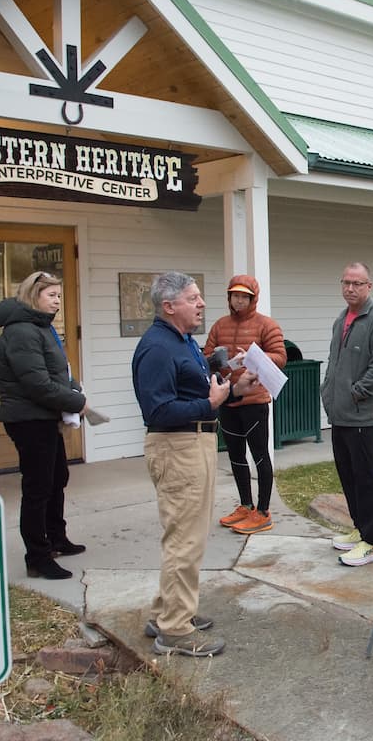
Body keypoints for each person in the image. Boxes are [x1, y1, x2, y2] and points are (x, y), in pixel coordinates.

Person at [132, 271, 257, 656]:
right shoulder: (157, 347)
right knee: (184, 539)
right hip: (177, 446)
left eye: (200, 297)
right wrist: (212, 403)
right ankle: (174, 630)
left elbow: (197, 390)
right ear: (169, 306)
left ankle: (167, 613)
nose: (202, 304)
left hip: (194, 441)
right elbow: (158, 408)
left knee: (188, 537)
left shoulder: (182, 341)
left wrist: (232, 390)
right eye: (193, 298)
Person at [0, 272, 88, 580]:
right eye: (51, 295)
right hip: (28, 419)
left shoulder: (42, 328)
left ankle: (55, 537)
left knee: (57, 476)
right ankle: (38, 556)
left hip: (46, 417)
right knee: (38, 487)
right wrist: (77, 403)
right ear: (33, 296)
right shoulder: (21, 332)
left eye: (60, 295)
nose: (58, 301)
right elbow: (36, 383)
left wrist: (73, 387)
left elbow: (57, 369)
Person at [321, 263, 373, 566]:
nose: (350, 288)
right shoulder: (342, 318)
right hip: (340, 414)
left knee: (367, 479)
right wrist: (328, 392)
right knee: (348, 475)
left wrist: (357, 392)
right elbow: (334, 361)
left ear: (369, 286)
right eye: (346, 282)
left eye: (357, 283)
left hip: (363, 416)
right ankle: (359, 529)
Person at [205, 275, 286, 535]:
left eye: (244, 296)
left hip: (255, 401)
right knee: (236, 455)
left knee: (260, 455)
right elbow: (205, 355)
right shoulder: (220, 325)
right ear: (229, 297)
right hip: (227, 399)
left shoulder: (266, 325)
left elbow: (280, 357)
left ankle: (262, 512)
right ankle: (245, 505)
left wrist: (252, 356)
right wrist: (213, 360)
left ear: (253, 299)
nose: (238, 300)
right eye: (234, 295)